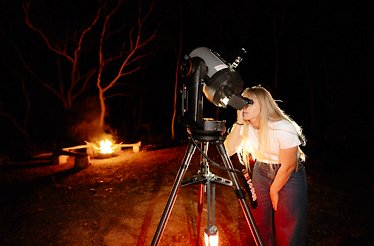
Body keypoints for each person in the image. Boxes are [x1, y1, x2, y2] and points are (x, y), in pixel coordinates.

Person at [224, 85, 308, 246]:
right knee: (258, 221)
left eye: (249, 102)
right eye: (243, 102)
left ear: (263, 104)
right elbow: (227, 151)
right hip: (260, 171)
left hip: (288, 173)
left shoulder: (283, 127)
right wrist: (239, 123)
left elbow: (289, 165)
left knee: (288, 224)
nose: (244, 106)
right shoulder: (245, 127)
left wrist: (274, 190)